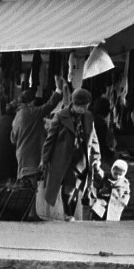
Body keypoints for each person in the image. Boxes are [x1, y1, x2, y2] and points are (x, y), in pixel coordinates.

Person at [41, 88, 100, 220]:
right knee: (69, 186)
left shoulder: (89, 116)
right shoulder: (60, 116)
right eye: (82, 107)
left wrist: (96, 156)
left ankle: (70, 214)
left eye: (86, 106)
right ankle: (69, 215)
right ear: (75, 104)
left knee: (77, 188)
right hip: (64, 158)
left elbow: (93, 137)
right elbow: (50, 139)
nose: (84, 109)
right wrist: (44, 158)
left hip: (82, 158)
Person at [11, 76, 63, 180]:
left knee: (26, 188)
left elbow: (12, 139)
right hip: (32, 158)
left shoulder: (17, 116)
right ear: (30, 102)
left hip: (22, 157)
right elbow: (49, 105)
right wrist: (59, 90)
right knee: (32, 189)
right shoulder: (31, 112)